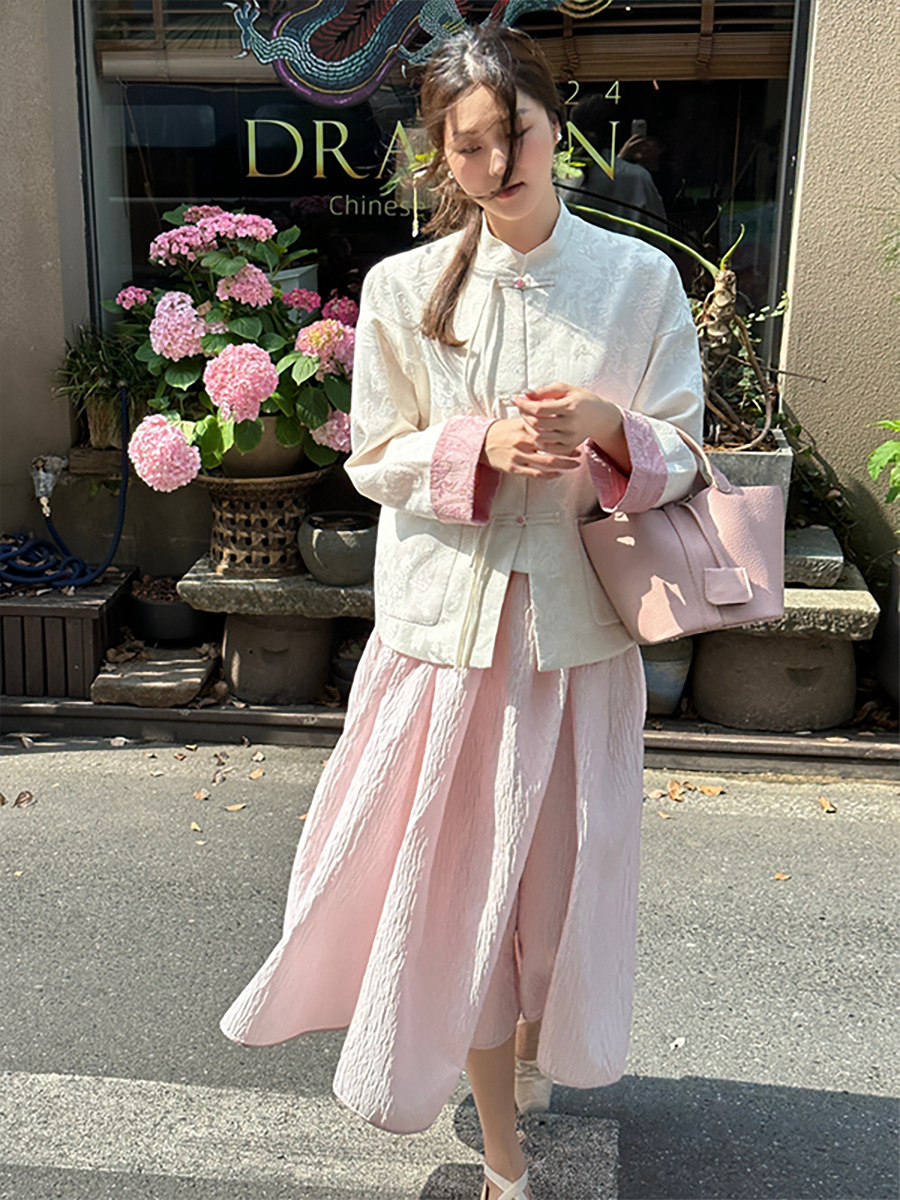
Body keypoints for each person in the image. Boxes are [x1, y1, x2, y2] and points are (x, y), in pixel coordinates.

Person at [219, 24, 704, 1200]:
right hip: (449, 650)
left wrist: (605, 428)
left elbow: (687, 455)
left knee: (557, 892)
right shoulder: (400, 289)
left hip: (582, 648)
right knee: (464, 899)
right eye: (470, 147)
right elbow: (374, 459)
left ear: (555, 124)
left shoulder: (638, 281)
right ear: (444, 159)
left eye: (516, 133)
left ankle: (530, 1053)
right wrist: (475, 447)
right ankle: (502, 1154)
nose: (498, 163)